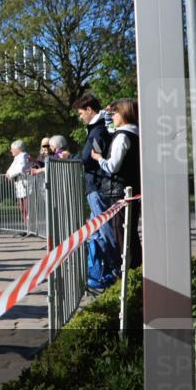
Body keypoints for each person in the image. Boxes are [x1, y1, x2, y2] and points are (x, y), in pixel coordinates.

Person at [74, 93, 120, 289]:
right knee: (100, 230)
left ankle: (116, 269)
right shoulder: (97, 130)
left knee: (104, 229)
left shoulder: (97, 131)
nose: (80, 117)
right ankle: (108, 270)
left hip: (98, 186)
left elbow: (89, 157)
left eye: (80, 112)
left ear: (89, 110)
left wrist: (75, 159)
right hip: (97, 185)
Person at [91, 98, 141, 270]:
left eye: (115, 113)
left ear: (124, 113)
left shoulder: (122, 137)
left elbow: (112, 166)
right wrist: (106, 114)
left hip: (120, 191)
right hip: (130, 189)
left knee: (123, 234)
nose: (112, 117)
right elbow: (110, 127)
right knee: (130, 233)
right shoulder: (134, 133)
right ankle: (135, 270)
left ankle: (130, 271)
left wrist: (98, 159)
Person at [5, 141, 33, 230]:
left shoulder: (24, 155)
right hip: (20, 186)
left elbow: (21, 168)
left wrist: (10, 174)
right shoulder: (17, 157)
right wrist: (9, 173)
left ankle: (30, 227)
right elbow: (10, 169)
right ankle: (26, 227)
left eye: (12, 149)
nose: (11, 150)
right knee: (22, 208)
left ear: (18, 149)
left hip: (25, 185)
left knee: (26, 207)